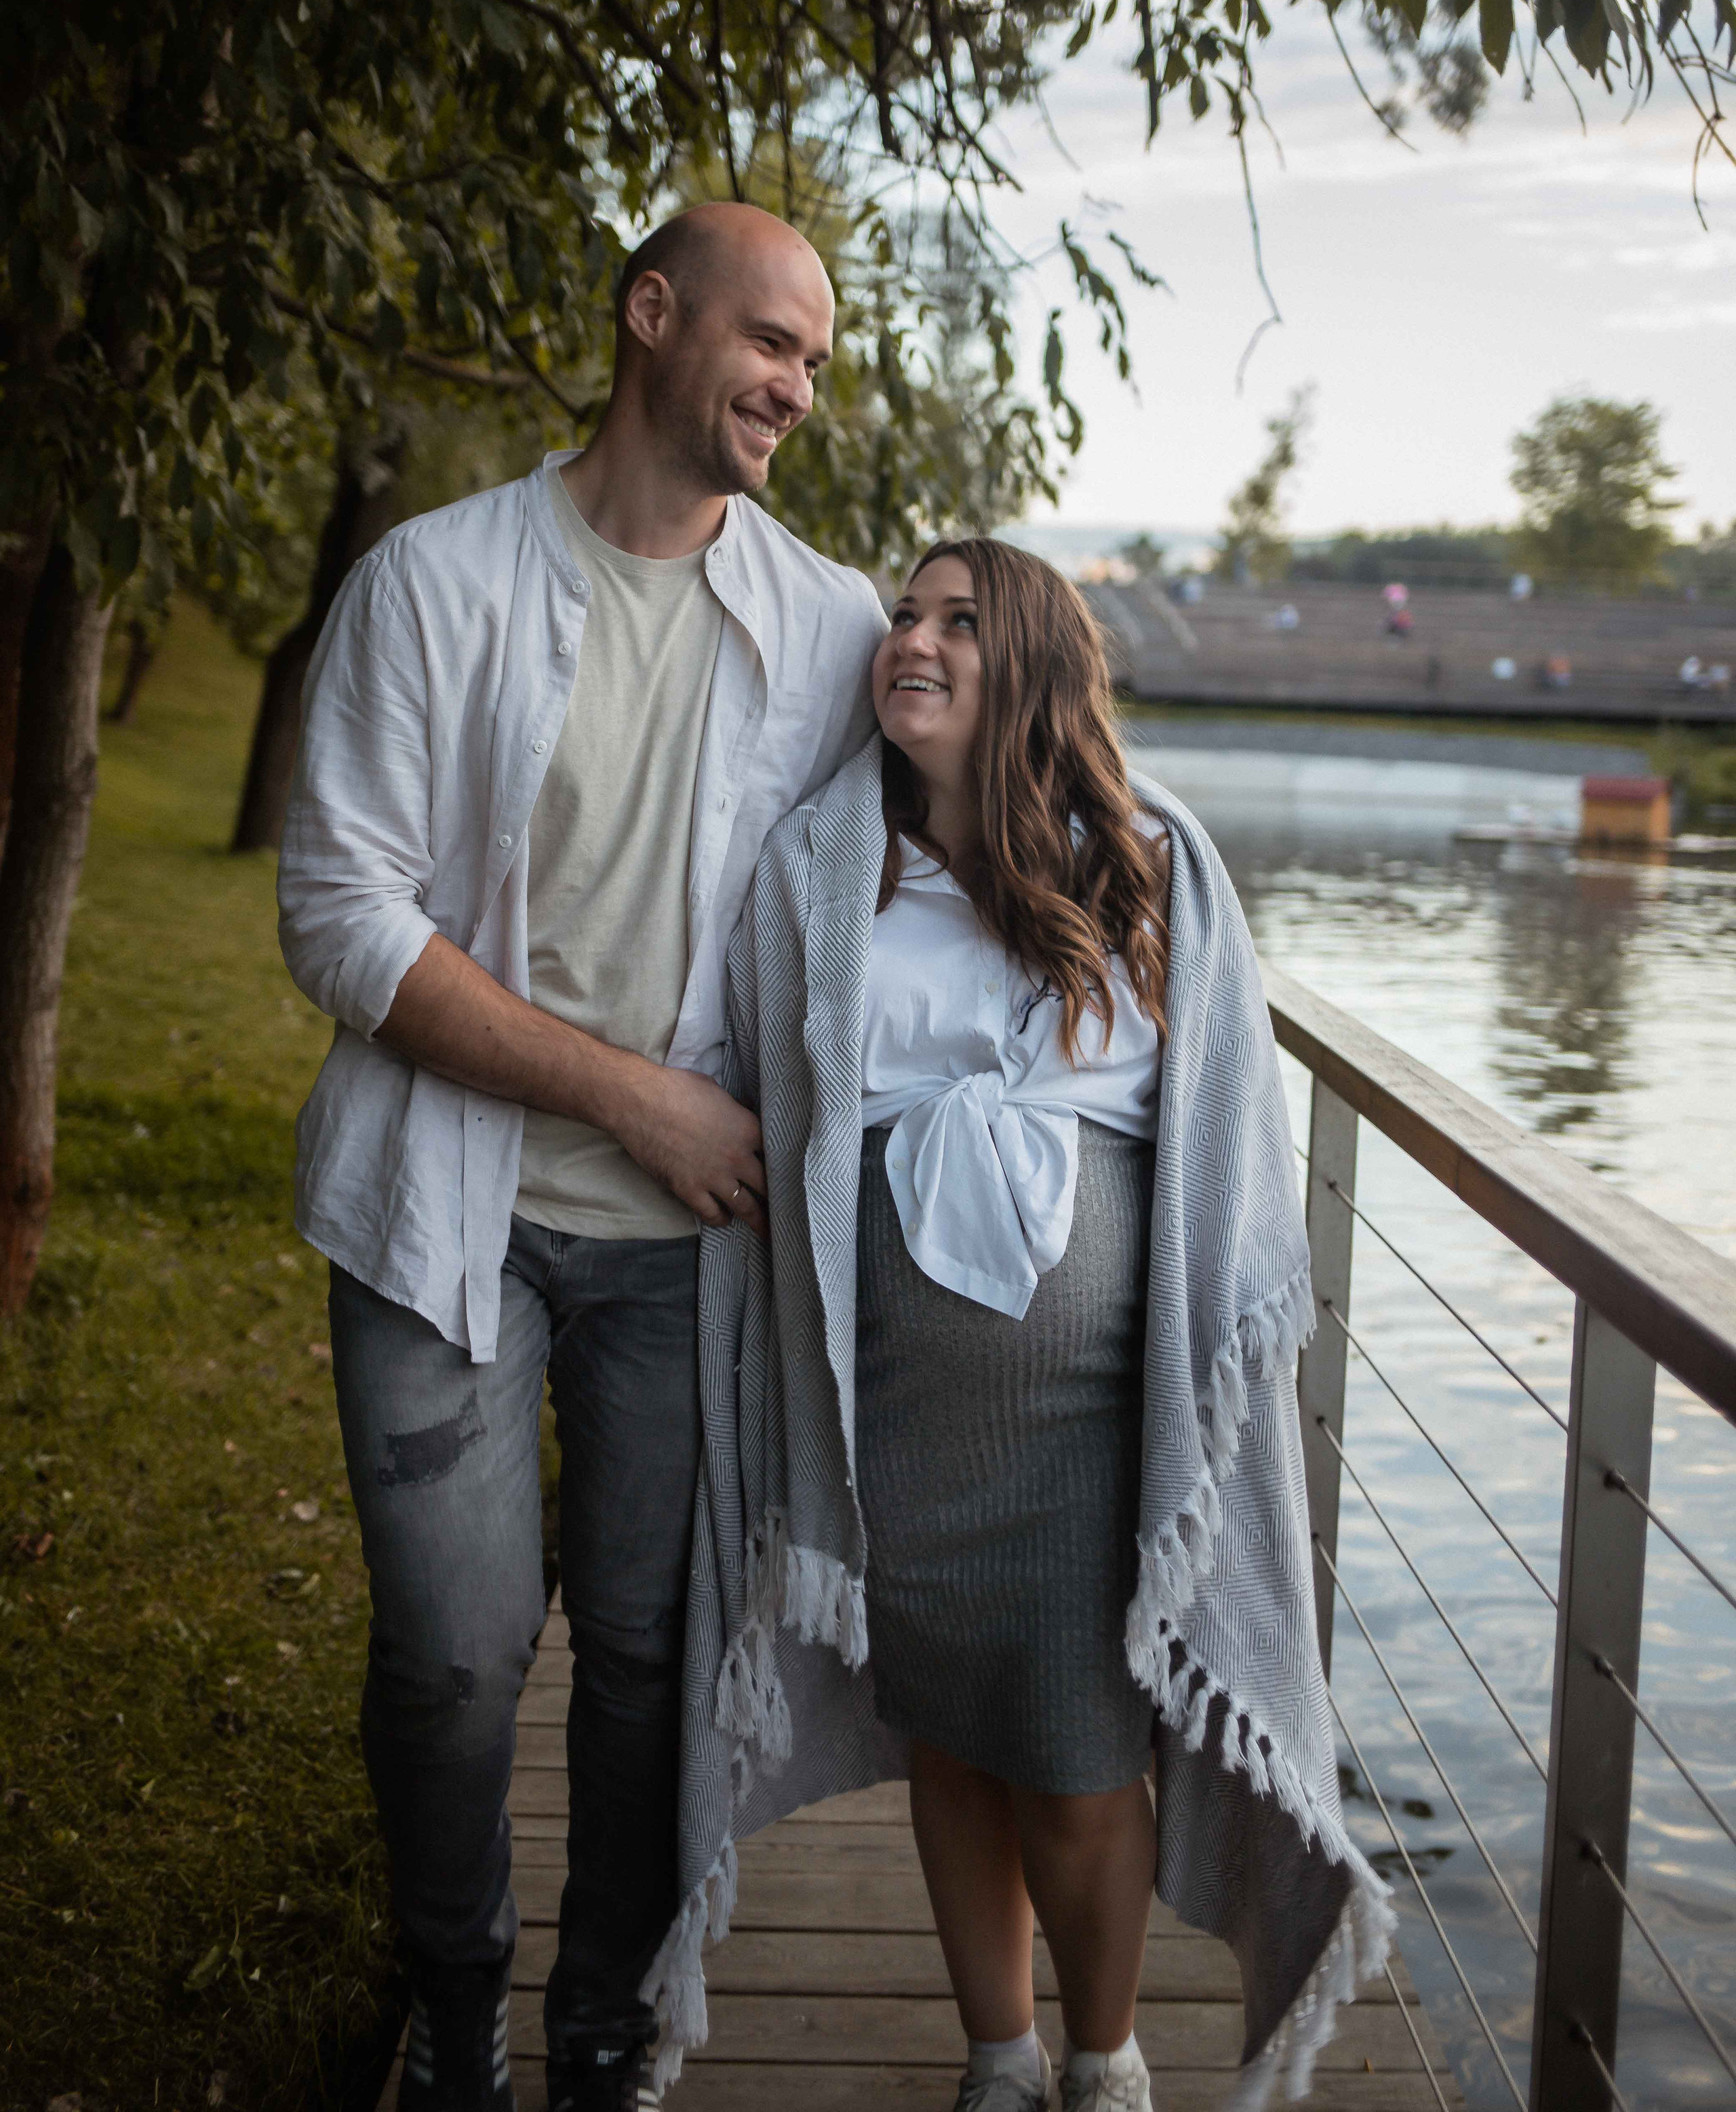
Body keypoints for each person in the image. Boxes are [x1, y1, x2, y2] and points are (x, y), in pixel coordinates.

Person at [275, 203, 886, 2112]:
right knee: (457, 1665)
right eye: (769, 340)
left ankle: (603, 2024)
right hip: (440, 1216)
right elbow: (338, 919)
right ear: (652, 316)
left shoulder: (836, 626)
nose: (795, 386)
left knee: (644, 1664)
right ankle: (454, 1994)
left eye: (814, 361)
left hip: (685, 1263)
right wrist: (633, 1095)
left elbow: (984, 821)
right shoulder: (430, 585)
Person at [656, 539, 1391, 2112]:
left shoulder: (1147, 857)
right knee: (949, 1734)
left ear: (1035, 667)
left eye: (955, 623)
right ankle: (995, 2057)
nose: (908, 639)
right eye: (901, 618)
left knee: (1073, 1751)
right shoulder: (822, 867)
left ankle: (1100, 2060)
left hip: (1085, 1417)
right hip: (896, 1410)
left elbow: (1219, 1130)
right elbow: (770, 1095)